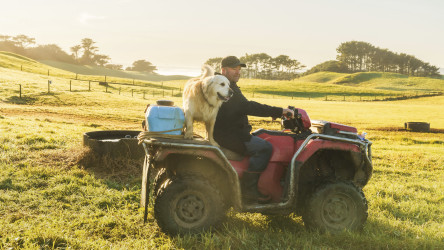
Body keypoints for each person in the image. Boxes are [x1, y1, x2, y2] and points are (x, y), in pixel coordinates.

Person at [214, 56, 294, 203]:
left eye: (239, 69)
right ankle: (249, 190)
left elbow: (242, 107)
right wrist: (279, 111)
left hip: (229, 131)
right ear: (223, 70)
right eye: (234, 69)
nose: (238, 72)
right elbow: (247, 106)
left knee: (263, 136)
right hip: (229, 135)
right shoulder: (224, 86)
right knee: (265, 148)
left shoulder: (223, 83)